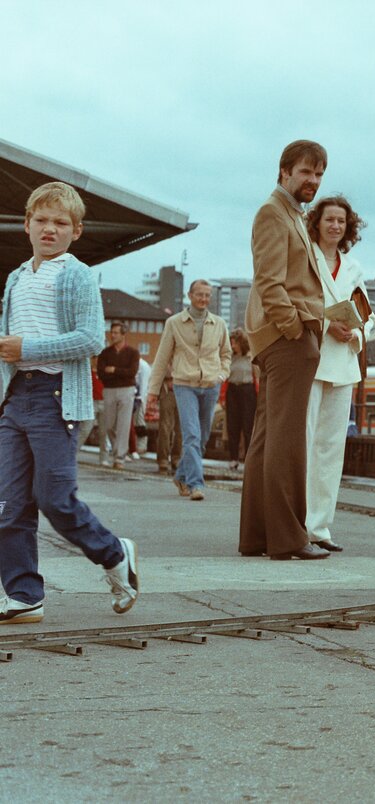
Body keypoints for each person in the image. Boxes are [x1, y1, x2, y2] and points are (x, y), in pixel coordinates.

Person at [0, 181, 139, 624]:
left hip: (55, 399)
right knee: (8, 505)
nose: (49, 229)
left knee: (55, 499)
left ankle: (115, 554)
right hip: (16, 399)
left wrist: (27, 349)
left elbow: (90, 338)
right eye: (41, 220)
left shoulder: (76, 274)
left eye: (61, 223)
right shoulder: (17, 278)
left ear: (75, 231)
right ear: (26, 225)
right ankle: (24, 594)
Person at [239, 140, 331, 560]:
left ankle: (259, 536)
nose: (312, 181)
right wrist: (296, 330)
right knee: (288, 440)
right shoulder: (273, 213)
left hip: (282, 338)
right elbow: (270, 283)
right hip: (287, 339)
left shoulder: (291, 214)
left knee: (267, 439)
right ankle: (289, 538)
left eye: (319, 174)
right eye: (305, 173)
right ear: (284, 172)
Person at [305, 195, 375, 552]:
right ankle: (298, 522)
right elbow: (299, 302)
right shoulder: (307, 259)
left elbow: (367, 313)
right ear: (316, 222)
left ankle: (320, 527)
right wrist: (326, 324)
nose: (335, 226)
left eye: (342, 222)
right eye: (329, 219)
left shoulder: (353, 269)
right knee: (304, 445)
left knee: (332, 449)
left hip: (343, 364)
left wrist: (357, 332)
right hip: (312, 360)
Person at [147, 279, 231, 502]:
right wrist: (152, 391)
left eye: (207, 295)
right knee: (191, 435)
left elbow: (226, 354)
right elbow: (162, 358)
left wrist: (222, 375)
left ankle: (181, 475)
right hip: (184, 385)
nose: (204, 299)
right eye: (199, 294)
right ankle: (195, 484)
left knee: (202, 438)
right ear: (189, 295)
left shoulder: (219, 324)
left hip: (211, 386)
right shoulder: (174, 323)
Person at [96, 321, 139, 468]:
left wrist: (114, 370)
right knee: (109, 425)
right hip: (109, 390)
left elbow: (132, 373)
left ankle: (119, 457)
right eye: (111, 332)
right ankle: (118, 451)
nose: (112, 335)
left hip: (127, 390)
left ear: (123, 334)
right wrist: (121, 372)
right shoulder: (105, 353)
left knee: (124, 424)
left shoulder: (133, 353)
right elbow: (101, 374)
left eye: (115, 333)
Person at [225, 329, 257, 471]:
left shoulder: (250, 357)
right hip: (232, 390)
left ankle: (249, 459)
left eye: (235, 343)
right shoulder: (230, 357)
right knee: (233, 425)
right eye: (231, 342)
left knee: (248, 425)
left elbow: (257, 376)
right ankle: (233, 458)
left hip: (247, 390)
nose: (232, 345)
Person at [153, 370, 182, 474]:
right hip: (168, 390)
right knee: (165, 427)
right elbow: (161, 367)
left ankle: (177, 458)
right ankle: (163, 459)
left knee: (181, 428)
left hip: (185, 390)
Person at [131, 355, 151, 459]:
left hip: (140, 397)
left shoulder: (143, 366)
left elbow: (144, 383)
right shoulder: (137, 364)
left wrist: (141, 400)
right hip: (135, 397)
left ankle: (142, 446)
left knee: (140, 423)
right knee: (135, 423)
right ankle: (137, 446)